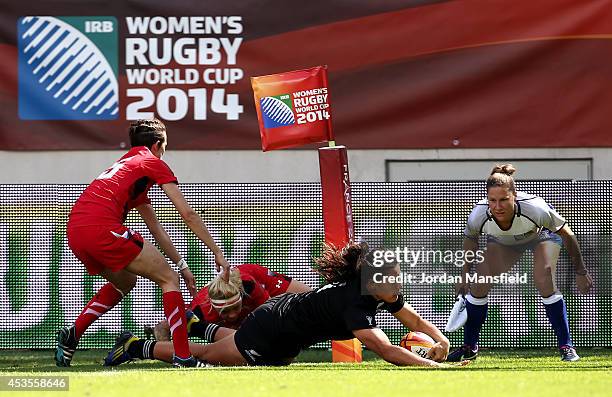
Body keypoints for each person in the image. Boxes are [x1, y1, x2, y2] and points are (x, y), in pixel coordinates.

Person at [104, 242, 463, 368]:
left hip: (283, 330)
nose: (399, 282)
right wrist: (431, 368)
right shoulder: (357, 305)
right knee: (207, 356)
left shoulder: (378, 291)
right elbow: (384, 349)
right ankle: (141, 347)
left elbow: (411, 318)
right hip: (271, 328)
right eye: (394, 277)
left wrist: (440, 339)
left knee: (232, 350)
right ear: (374, 281)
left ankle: (202, 329)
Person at [56, 118, 230, 368]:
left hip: (75, 231)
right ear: (158, 144)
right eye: (165, 146)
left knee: (126, 281)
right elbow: (187, 214)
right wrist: (217, 252)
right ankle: (182, 356)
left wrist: (183, 266)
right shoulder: (152, 162)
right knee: (168, 280)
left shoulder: (127, 166)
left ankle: (74, 332)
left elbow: (156, 229)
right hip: (102, 228)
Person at [448, 164, 593, 362]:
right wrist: (464, 275)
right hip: (504, 243)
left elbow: (567, 234)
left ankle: (566, 346)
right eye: (492, 200)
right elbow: (471, 240)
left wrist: (581, 271)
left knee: (544, 276)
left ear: (514, 195)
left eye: (504, 200)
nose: (498, 206)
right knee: (480, 280)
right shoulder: (478, 214)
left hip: (542, 236)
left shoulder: (535, 208)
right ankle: (469, 347)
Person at [147, 264, 312, 341]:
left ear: (241, 298)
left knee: (311, 299)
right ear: (213, 306)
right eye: (225, 311)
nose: (232, 315)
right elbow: (164, 328)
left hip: (260, 280)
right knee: (238, 339)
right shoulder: (200, 312)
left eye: (235, 308)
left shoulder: (249, 286)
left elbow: (271, 315)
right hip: (208, 313)